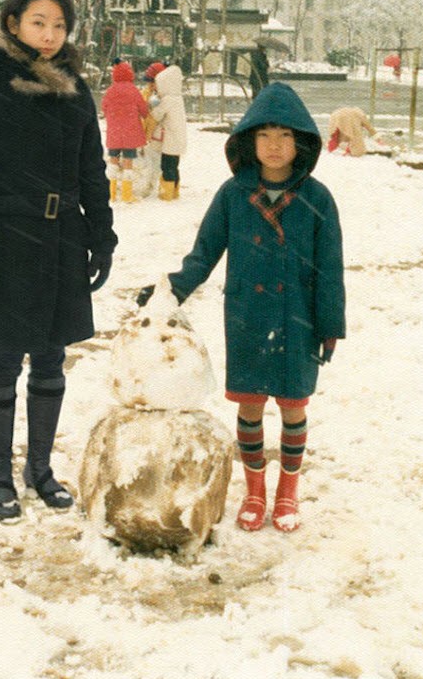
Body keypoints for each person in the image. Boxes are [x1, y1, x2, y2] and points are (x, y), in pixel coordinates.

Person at [0, 0, 117, 523]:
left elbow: (92, 167)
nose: (49, 34)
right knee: (3, 357)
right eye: (39, 22)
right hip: (8, 239)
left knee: (51, 356)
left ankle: (38, 471)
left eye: (59, 25)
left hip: (63, 236)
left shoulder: (75, 89)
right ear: (14, 23)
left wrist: (101, 234)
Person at [137, 82, 345, 532]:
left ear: (302, 142)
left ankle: (287, 494)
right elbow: (204, 253)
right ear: (248, 139)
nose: (274, 146)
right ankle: (254, 491)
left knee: (293, 408)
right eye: (265, 134)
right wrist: (170, 289)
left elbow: (330, 267)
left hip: (299, 323)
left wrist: (330, 324)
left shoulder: (318, 198)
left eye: (286, 135)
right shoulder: (233, 195)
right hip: (248, 319)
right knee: (249, 407)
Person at [101, 59, 149, 203]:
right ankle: (127, 195)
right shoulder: (133, 90)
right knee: (128, 161)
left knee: (113, 160)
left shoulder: (110, 90)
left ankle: (111, 193)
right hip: (130, 133)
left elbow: (104, 107)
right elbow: (143, 110)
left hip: (114, 132)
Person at [149, 63, 187, 200]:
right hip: (178, 139)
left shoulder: (167, 100)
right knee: (174, 166)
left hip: (170, 141)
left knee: (167, 167)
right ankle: (175, 190)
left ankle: (167, 193)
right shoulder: (177, 98)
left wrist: (152, 107)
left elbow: (157, 115)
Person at [140, 61, 168, 194]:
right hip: (149, 134)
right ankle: (150, 184)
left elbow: (155, 117)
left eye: (153, 82)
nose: (150, 85)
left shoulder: (163, 97)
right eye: (149, 82)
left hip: (158, 134)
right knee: (151, 161)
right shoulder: (147, 93)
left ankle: (154, 185)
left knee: (157, 163)